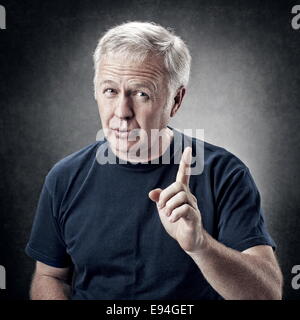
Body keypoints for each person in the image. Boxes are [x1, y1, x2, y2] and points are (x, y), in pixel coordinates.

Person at [25, 21, 283, 300]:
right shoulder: (64, 178)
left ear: (176, 100)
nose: (122, 112)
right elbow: (49, 276)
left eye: (141, 93)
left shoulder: (225, 174)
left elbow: (267, 294)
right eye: (110, 90)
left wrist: (200, 246)